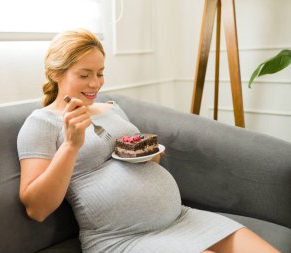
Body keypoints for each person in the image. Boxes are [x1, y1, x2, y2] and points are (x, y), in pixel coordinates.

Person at [17, 29, 280, 253]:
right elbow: (36, 208)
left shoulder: (111, 108)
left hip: (181, 218)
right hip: (124, 239)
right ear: (56, 74)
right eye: (84, 75)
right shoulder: (42, 124)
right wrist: (71, 146)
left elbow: (134, 158)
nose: (95, 83)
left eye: (100, 73)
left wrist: (149, 156)